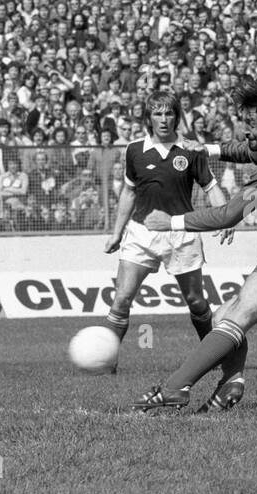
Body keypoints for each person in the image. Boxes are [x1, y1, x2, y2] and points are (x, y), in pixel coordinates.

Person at [133, 79, 257, 414]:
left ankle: (175, 388)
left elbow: (228, 214)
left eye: (252, 124)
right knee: (223, 316)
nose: (244, 130)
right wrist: (207, 149)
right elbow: (244, 151)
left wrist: (169, 221)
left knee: (237, 317)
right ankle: (231, 381)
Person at [99, 92, 232, 368]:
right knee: (121, 299)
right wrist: (116, 233)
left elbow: (211, 187)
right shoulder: (134, 149)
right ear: (148, 118)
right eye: (157, 113)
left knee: (196, 302)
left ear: (176, 117)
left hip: (180, 233)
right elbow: (129, 192)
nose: (163, 119)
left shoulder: (191, 150)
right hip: (140, 233)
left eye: (169, 113)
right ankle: (106, 362)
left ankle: (213, 357)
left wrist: (225, 218)